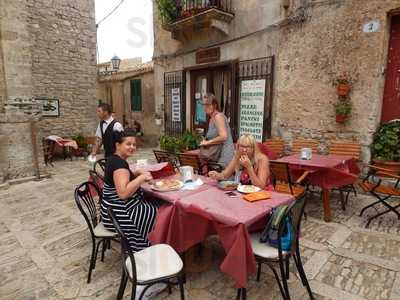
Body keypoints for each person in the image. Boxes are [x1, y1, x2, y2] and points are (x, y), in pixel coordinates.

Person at [100, 129, 158, 252]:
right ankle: (148, 248)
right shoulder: (119, 164)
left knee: (153, 204)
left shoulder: (114, 159)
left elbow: (123, 181)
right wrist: (142, 177)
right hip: (119, 215)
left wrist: (135, 173)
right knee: (160, 213)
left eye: (134, 144)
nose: (132, 147)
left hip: (109, 212)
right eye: (128, 144)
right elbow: (123, 193)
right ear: (118, 145)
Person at [199, 93, 234, 167]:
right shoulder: (211, 118)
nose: (205, 107)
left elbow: (224, 136)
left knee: (220, 176)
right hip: (216, 155)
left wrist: (207, 142)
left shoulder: (218, 116)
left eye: (208, 104)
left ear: (215, 105)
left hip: (224, 154)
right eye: (204, 105)